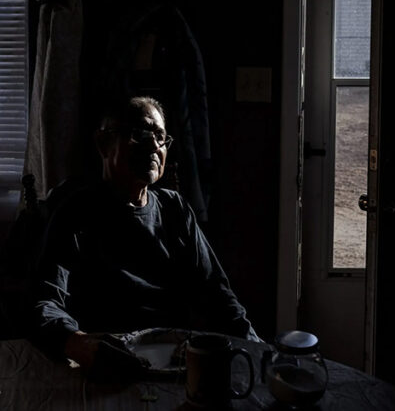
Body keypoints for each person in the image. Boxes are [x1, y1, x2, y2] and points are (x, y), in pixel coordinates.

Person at [31, 95, 259, 377]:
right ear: (104, 144)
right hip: (107, 361)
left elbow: (217, 292)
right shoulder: (76, 213)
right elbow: (45, 301)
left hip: (172, 360)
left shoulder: (175, 210)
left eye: (160, 137)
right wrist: (78, 343)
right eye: (139, 134)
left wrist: (256, 345)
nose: (153, 145)